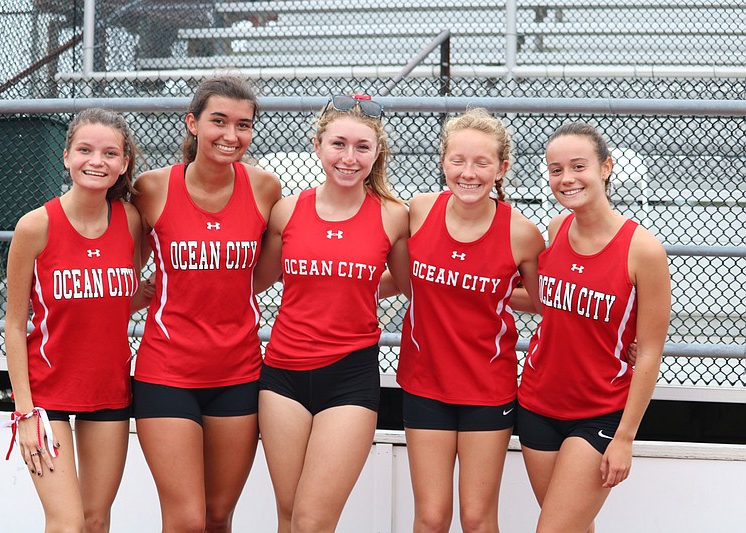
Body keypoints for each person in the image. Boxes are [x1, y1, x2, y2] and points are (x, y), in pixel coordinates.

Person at [253, 94, 409, 533]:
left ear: (377, 153)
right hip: (282, 374)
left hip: (349, 377)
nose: (349, 157)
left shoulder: (393, 216)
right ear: (319, 146)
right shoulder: (288, 211)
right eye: (339, 144)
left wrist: (358, 289)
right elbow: (257, 280)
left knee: (313, 520)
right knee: (288, 516)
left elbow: (409, 284)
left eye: (362, 147)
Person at [131, 76, 281, 533]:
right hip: (167, 372)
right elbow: (127, 269)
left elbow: (264, 274)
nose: (231, 136)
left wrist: (218, 287)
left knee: (218, 517)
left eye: (243, 124)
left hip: (237, 371)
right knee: (186, 520)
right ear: (193, 123)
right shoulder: (151, 189)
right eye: (219, 121)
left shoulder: (265, 187)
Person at [393, 108, 545, 533]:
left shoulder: (522, 233)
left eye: (482, 162)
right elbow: (395, 278)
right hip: (425, 383)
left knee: (477, 519)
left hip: (487, 388)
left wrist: (625, 338)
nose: (469, 173)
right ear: (443, 161)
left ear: (502, 168)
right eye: (458, 160)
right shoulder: (419, 211)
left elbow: (544, 303)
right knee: (431, 516)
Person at [516, 122, 671, 533]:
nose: (566, 179)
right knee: (574, 527)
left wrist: (625, 438)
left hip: (598, 413)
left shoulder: (643, 250)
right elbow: (544, 304)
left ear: (606, 168)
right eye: (555, 169)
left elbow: (651, 349)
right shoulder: (555, 229)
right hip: (536, 403)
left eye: (578, 166)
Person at [3, 107, 144, 532]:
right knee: (66, 523)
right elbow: (13, 325)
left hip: (109, 389)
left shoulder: (131, 220)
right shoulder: (35, 226)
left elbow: (121, 295)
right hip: (48, 397)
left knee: (96, 520)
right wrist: (25, 414)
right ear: (66, 156)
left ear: (123, 165)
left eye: (109, 153)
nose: (96, 161)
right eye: (85, 150)